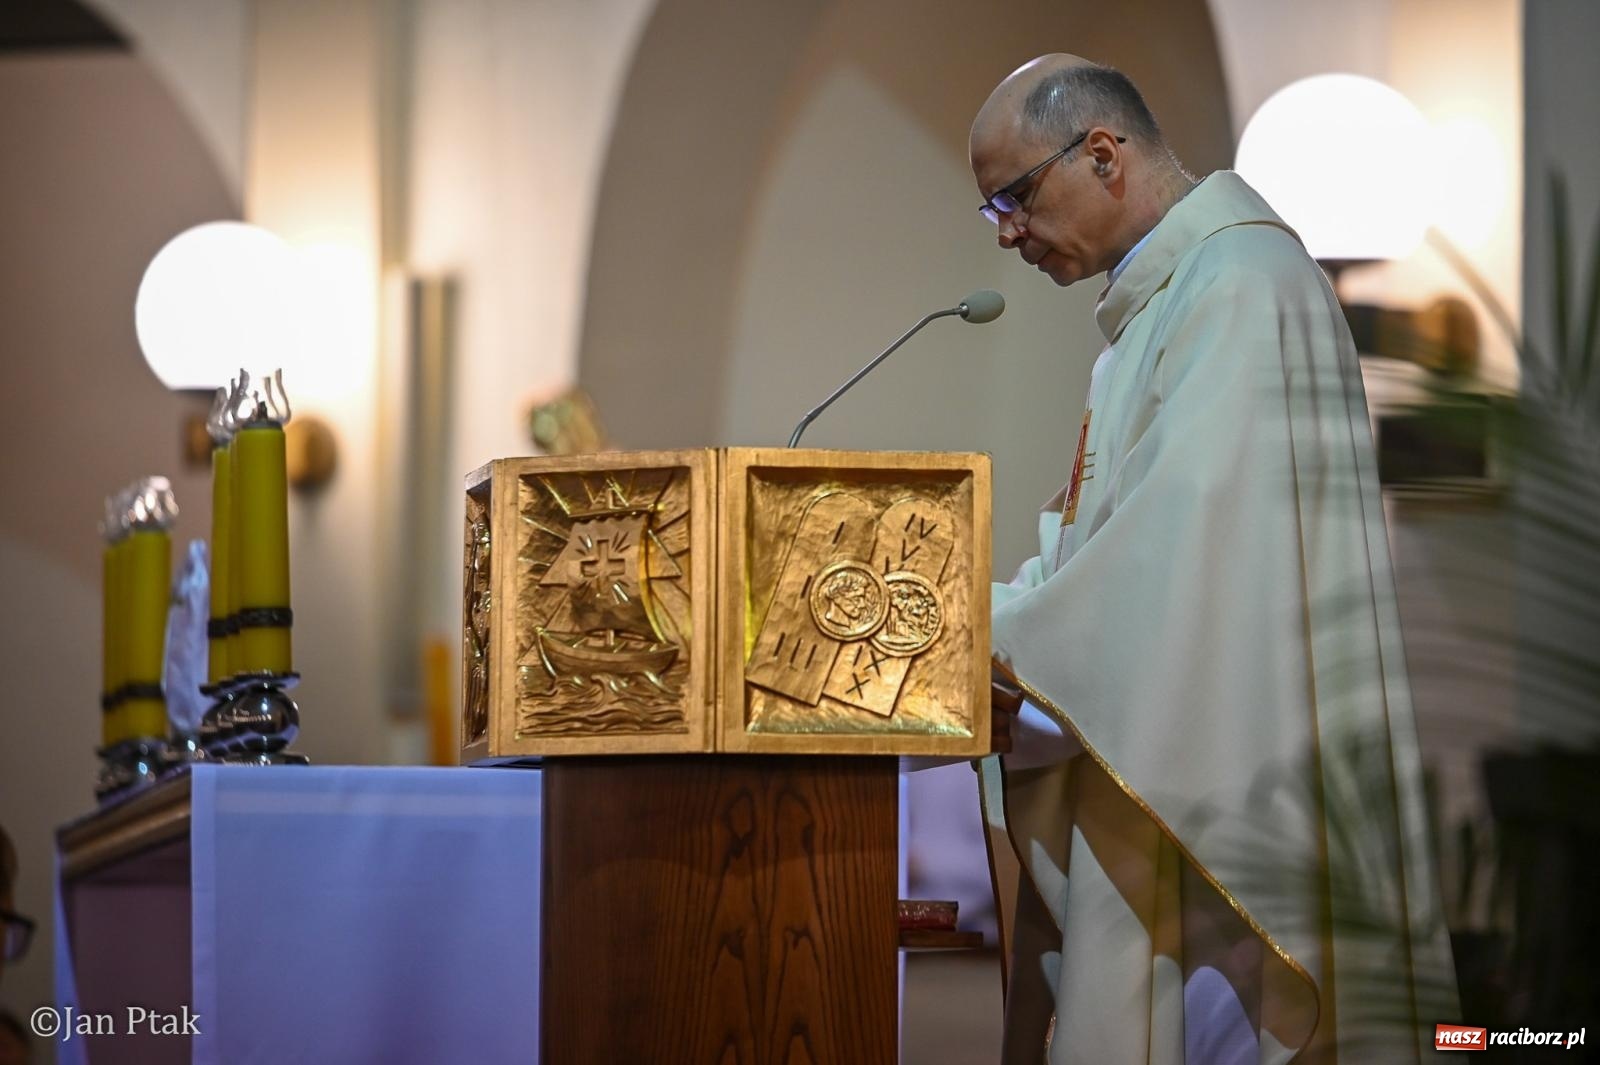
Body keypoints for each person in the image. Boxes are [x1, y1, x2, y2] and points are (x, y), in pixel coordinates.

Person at [971, 55, 1458, 1063]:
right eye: (994, 211)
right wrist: (972, 614)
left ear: (1101, 153)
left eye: (1015, 196)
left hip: (1227, 797)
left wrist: (996, 639)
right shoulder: (1154, 312)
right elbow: (1100, 550)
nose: (1008, 230)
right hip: (1166, 775)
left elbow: (1175, 563)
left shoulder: (1241, 284)